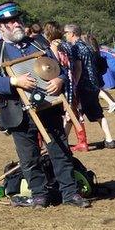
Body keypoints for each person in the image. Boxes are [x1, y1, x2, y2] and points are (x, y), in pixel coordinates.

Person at [0, 2, 90, 208]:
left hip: (48, 107)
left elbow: (58, 70)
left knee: (60, 151)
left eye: (17, 20)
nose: (15, 24)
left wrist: (59, 80)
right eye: (9, 22)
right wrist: (14, 82)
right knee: (29, 158)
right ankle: (40, 195)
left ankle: (70, 193)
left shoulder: (39, 44)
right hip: (18, 113)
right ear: (1, 27)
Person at [65, 25, 115, 149]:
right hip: (93, 84)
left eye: (66, 33)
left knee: (72, 113)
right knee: (98, 114)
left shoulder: (76, 48)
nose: (65, 35)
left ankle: (63, 142)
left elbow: (78, 68)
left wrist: (75, 84)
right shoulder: (87, 46)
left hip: (83, 85)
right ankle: (109, 140)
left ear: (72, 33)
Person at [44, 21, 89, 151]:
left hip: (61, 82)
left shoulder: (53, 46)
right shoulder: (67, 45)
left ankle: (62, 142)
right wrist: (74, 81)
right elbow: (77, 66)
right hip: (71, 80)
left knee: (67, 113)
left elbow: (53, 66)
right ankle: (81, 141)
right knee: (73, 111)